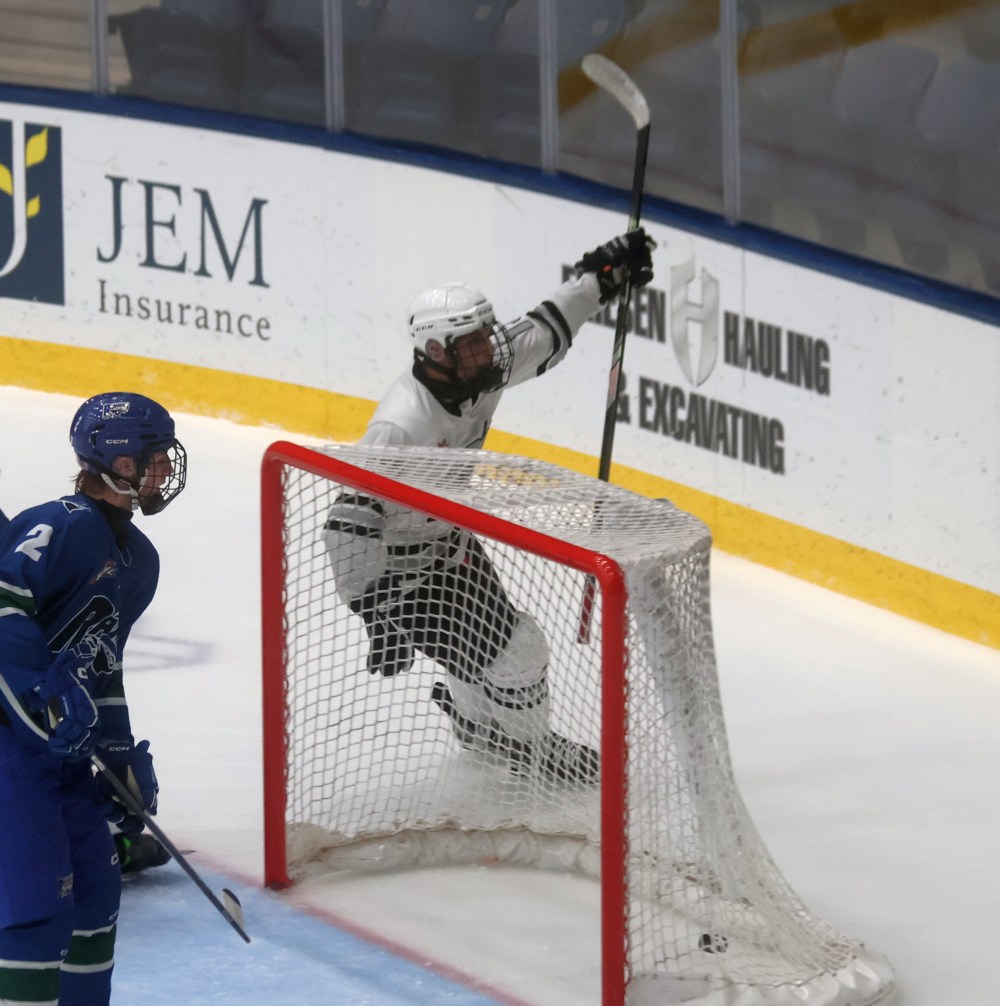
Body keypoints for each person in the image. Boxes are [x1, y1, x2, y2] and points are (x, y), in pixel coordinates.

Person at [323, 229, 655, 786]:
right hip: (400, 572)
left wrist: (601, 280)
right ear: (435, 351)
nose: (490, 349)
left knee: (488, 651)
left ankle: (480, 727)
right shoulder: (402, 425)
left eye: (486, 335)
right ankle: (531, 750)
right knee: (520, 650)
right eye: (474, 342)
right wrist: (375, 612)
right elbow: (347, 523)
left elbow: (546, 329)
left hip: (452, 544)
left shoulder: (477, 369)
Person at [0, 391, 187, 1005]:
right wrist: (39, 700)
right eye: (153, 455)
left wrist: (116, 748)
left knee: (95, 900)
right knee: (32, 915)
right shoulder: (59, 523)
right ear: (118, 459)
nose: (165, 466)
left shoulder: (140, 561)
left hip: (66, 753)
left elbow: (102, 669)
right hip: (12, 753)